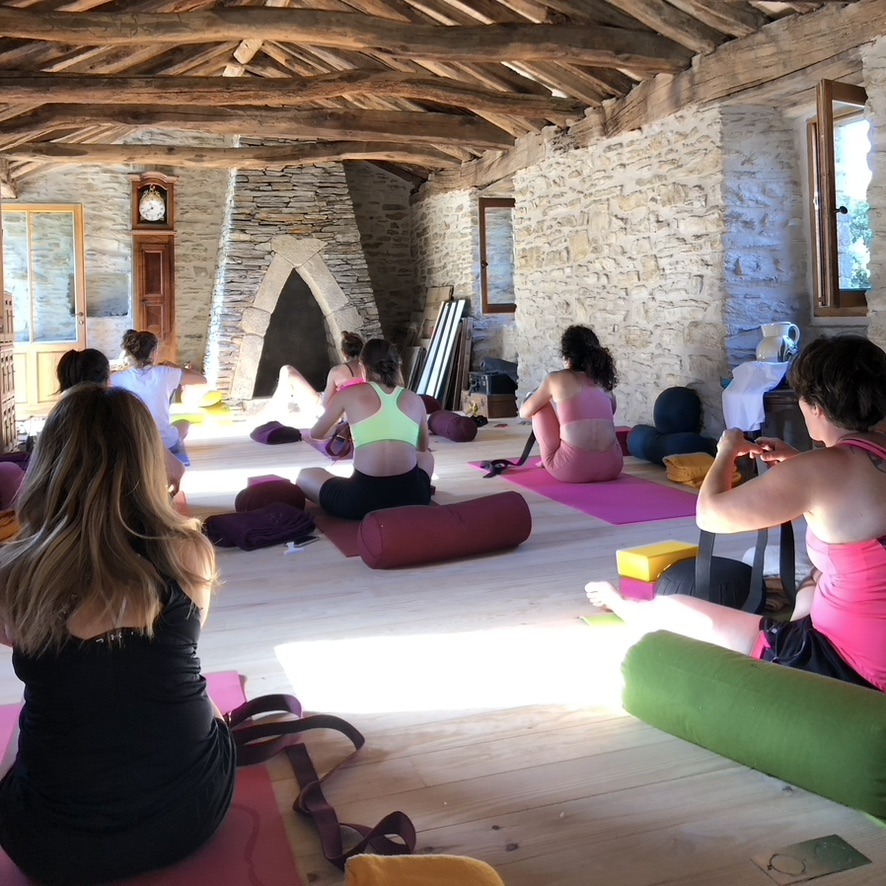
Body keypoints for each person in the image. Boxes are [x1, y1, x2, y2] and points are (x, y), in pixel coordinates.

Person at [0, 384, 235, 884]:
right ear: (149, 461)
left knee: (36, 709)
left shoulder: (13, 577)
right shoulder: (190, 552)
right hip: (192, 815)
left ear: (47, 465)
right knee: (187, 683)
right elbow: (172, 650)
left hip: (52, 848)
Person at [586, 335, 886, 693]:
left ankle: (625, 606)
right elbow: (851, 488)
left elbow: (709, 515)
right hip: (863, 637)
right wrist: (799, 463)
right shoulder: (840, 461)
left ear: (815, 407)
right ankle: (791, 631)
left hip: (851, 665)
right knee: (814, 579)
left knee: (673, 607)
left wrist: (725, 450)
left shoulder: (816, 471)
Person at [297, 338, 434, 520]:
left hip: (361, 500)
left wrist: (347, 427)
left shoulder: (348, 393)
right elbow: (422, 447)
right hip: (412, 497)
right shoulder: (414, 398)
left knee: (305, 475)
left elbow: (316, 433)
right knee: (427, 457)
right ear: (396, 365)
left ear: (363, 367)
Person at [60, 346, 185, 495]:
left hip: (66, 515)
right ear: (108, 380)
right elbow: (175, 471)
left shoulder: (56, 421)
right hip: (127, 512)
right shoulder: (127, 410)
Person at [519, 325, 623, 483]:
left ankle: (551, 459)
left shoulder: (555, 378)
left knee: (539, 408)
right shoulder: (602, 381)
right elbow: (611, 410)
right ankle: (563, 455)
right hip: (612, 466)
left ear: (567, 355)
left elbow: (524, 413)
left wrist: (532, 396)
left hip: (571, 469)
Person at [111, 329, 207, 467]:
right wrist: (175, 367)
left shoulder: (117, 378)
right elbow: (202, 380)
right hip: (166, 445)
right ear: (154, 353)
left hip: (133, 445)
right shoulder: (166, 372)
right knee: (185, 423)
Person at [266, 330, 366, 422]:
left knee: (287, 371)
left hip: (335, 415)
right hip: (360, 411)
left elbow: (325, 405)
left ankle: (273, 411)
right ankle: (273, 409)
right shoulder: (370, 370)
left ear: (344, 353)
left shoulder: (337, 372)